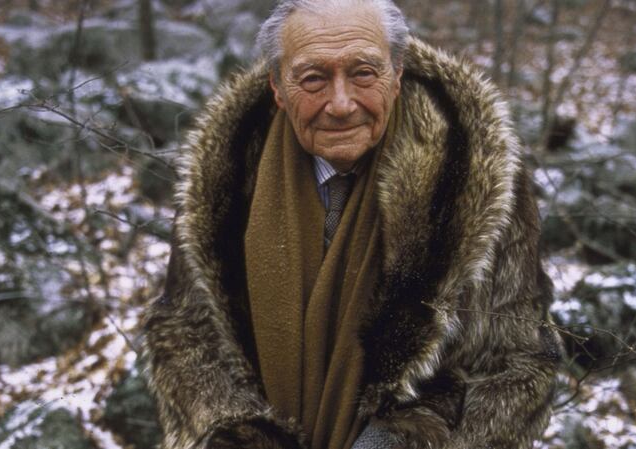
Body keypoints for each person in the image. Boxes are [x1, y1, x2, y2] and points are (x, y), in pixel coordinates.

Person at [143, 0, 563, 448]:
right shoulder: (225, 176)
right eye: (313, 79)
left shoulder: (471, 174)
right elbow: (184, 336)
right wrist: (235, 432)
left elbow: (520, 363)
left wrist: (410, 438)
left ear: (396, 74)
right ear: (278, 87)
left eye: (363, 73)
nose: (341, 104)